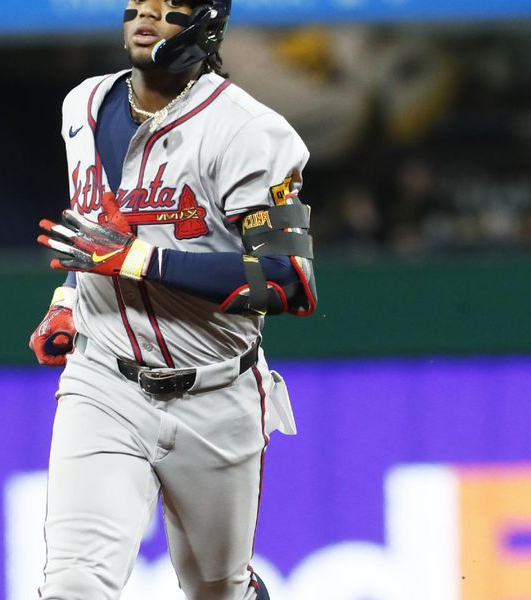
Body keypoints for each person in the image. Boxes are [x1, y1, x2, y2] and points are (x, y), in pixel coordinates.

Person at [29, 1, 317, 598]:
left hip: (215, 390)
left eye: (168, 10)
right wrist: (69, 298)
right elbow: (99, 232)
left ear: (205, 24)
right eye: (137, 7)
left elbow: (288, 281)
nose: (146, 19)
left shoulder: (248, 131)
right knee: (73, 586)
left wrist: (142, 261)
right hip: (104, 381)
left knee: (217, 589)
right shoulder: (82, 106)